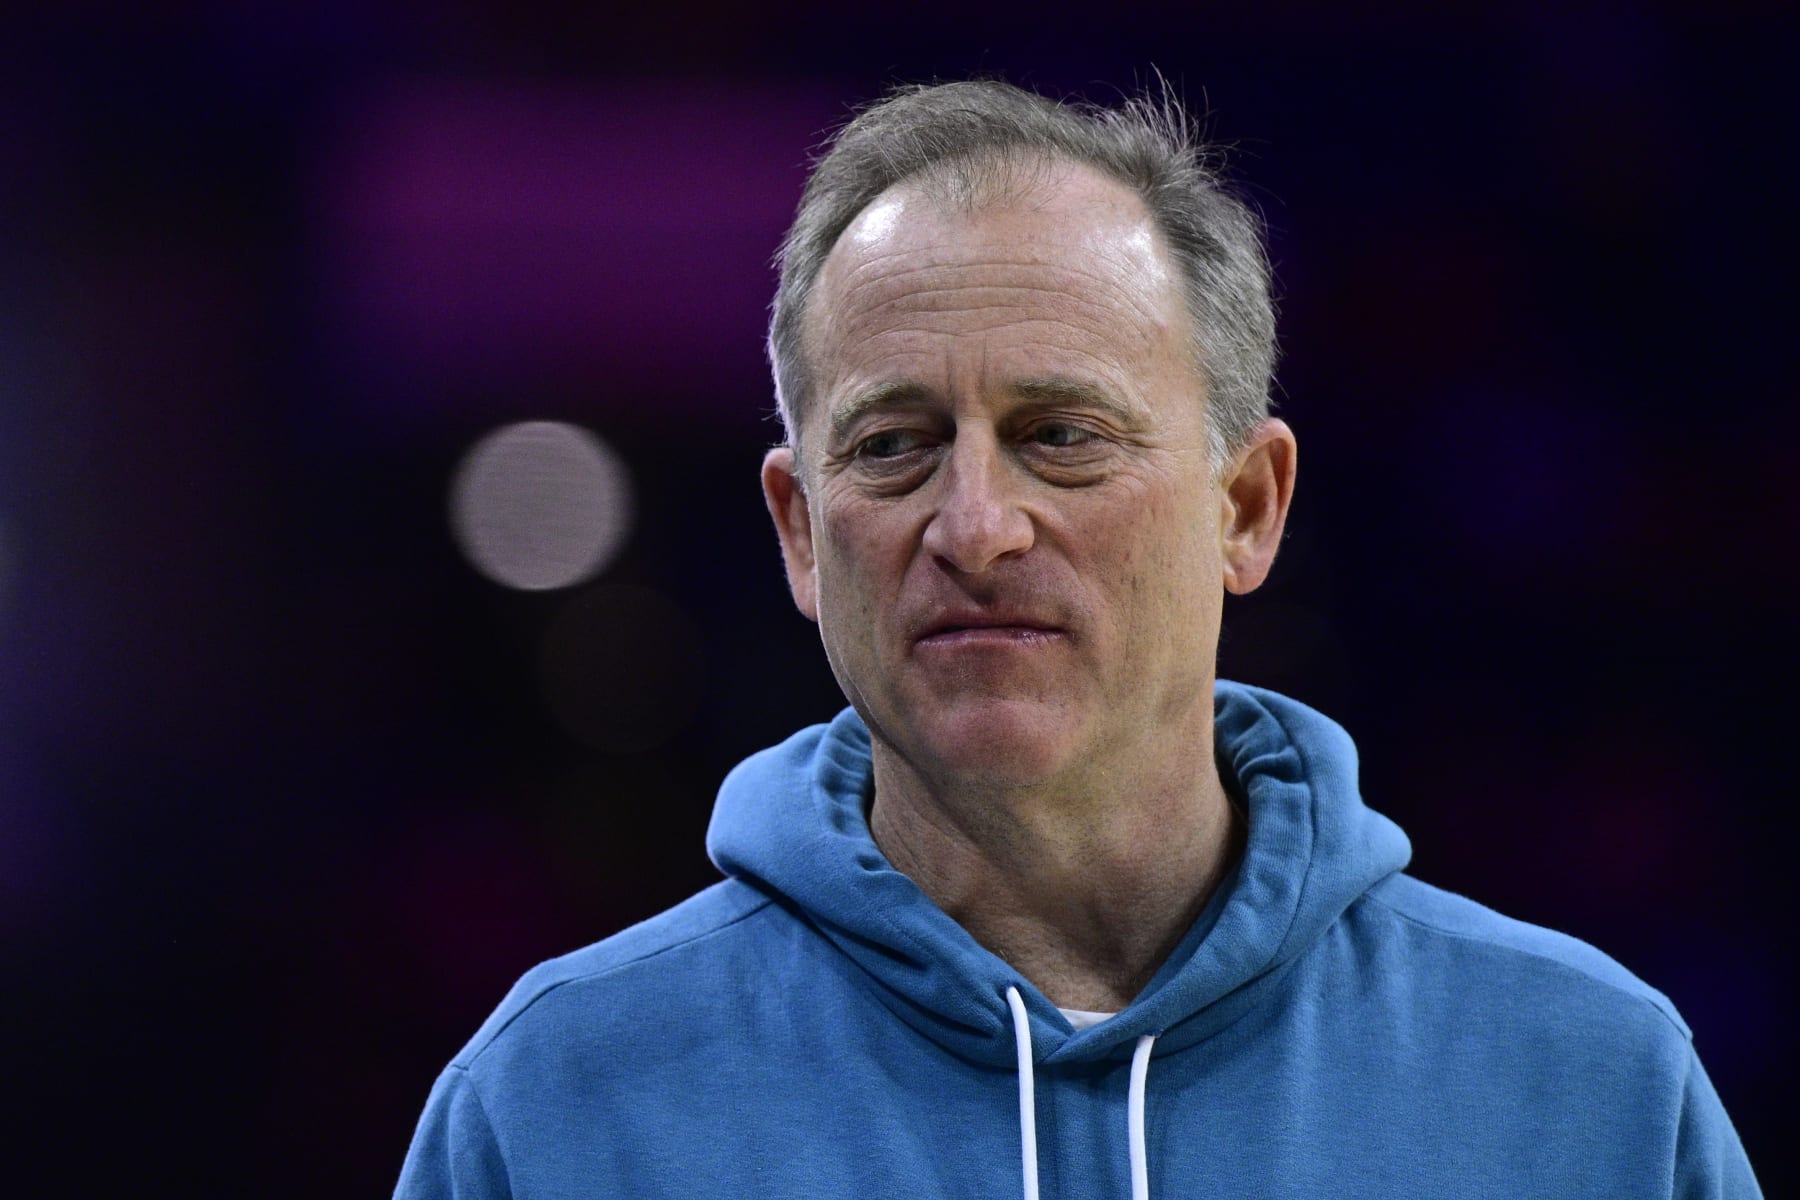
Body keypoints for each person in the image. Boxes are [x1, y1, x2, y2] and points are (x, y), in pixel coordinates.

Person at [393, 80, 1760, 1199]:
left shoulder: (1588, 1090)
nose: (976, 525)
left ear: (1248, 506)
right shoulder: (555, 1109)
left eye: (1063, 436)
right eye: (894, 445)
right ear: (801, 533)